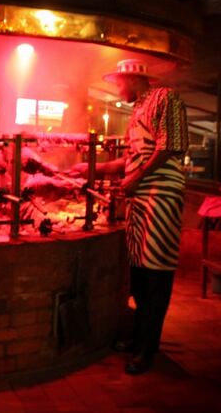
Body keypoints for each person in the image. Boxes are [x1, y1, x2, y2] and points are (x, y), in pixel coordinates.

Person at [76, 59, 189, 375]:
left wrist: (137, 177)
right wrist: (94, 168)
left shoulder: (165, 98)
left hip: (162, 195)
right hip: (141, 197)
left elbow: (171, 146)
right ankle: (140, 337)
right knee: (140, 270)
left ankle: (147, 349)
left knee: (156, 273)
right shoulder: (138, 109)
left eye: (119, 82)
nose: (117, 88)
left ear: (134, 79)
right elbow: (132, 158)